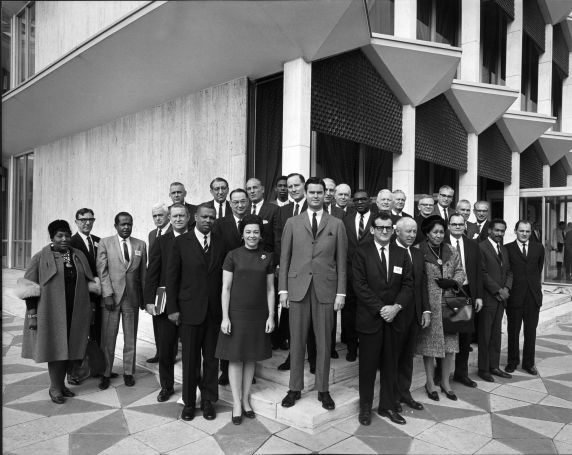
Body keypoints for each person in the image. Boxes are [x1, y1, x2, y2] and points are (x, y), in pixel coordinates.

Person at [279, 177, 348, 411]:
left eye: (320, 192)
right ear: (305, 194)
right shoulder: (292, 222)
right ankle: (294, 388)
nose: (316, 196)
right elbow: (284, 258)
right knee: (296, 341)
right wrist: (283, 290)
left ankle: (323, 389)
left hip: (326, 291)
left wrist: (341, 293)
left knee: (324, 343)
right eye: (312, 192)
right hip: (298, 289)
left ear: (325, 194)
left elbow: (342, 262)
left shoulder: (336, 224)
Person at [15, 220, 100, 403]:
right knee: (55, 349)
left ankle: (62, 385)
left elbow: (90, 284)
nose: (64, 239)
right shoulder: (40, 257)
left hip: (76, 312)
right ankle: (54, 387)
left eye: (67, 235)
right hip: (51, 314)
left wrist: (91, 309)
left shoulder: (78, 255)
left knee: (70, 349)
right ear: (52, 237)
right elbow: (29, 287)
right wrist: (32, 314)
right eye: (59, 236)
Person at [352, 213, 413, 425]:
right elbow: (359, 286)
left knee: (390, 366)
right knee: (367, 367)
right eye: (380, 227)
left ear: (393, 229)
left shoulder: (401, 253)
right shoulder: (362, 252)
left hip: (394, 320)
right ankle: (365, 408)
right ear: (372, 229)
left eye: (388, 227)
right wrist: (382, 309)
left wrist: (396, 308)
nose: (385, 231)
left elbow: (408, 284)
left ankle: (387, 406)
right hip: (370, 319)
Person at [166, 204, 225, 421]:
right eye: (205, 217)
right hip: (189, 311)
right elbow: (171, 277)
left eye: (212, 217)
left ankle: (208, 401)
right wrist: (172, 308)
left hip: (213, 313)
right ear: (195, 217)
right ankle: (190, 403)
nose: (208, 220)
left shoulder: (220, 243)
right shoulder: (181, 242)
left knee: (211, 359)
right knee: (190, 360)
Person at [216, 214, 275, 425]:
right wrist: (225, 317)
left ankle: (246, 399)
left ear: (260, 235)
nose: (252, 235)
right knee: (235, 358)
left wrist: (271, 315)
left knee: (251, 358)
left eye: (256, 232)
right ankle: (237, 403)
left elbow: (270, 289)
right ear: (242, 234)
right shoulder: (232, 255)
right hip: (236, 314)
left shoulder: (267, 257)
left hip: (258, 315)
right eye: (248, 232)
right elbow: (225, 288)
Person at [143, 203, 191, 402]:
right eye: (175, 216)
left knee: (190, 350)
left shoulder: (196, 238)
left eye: (182, 215)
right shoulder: (161, 241)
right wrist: (148, 301)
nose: (178, 219)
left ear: (188, 217)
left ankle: (191, 387)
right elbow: (152, 273)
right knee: (165, 348)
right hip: (164, 305)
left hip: (190, 304)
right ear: (170, 218)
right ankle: (167, 386)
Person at [415, 215, 465, 401]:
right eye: (435, 232)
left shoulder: (451, 250)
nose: (438, 235)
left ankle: (445, 382)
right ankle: (430, 382)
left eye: (441, 232)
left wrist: (453, 281)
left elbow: (461, 271)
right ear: (427, 233)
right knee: (430, 346)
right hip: (430, 306)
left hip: (452, 304)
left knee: (450, 346)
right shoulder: (418, 250)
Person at [97, 212, 147, 390]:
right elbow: (102, 271)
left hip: (131, 299)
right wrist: (107, 294)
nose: (126, 227)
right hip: (111, 298)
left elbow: (143, 275)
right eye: (123, 224)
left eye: (129, 224)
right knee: (108, 338)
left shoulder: (140, 244)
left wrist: (144, 299)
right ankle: (105, 372)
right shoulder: (105, 243)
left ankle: (128, 372)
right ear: (116, 225)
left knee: (130, 337)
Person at [435, 213, 483, 389]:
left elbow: (478, 271)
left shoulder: (472, 245)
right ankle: (441, 374)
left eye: (460, 224)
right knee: (446, 334)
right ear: (449, 226)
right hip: (448, 292)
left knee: (464, 336)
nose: (457, 227)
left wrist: (478, 296)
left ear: (465, 226)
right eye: (454, 224)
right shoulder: (441, 244)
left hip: (466, 292)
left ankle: (461, 373)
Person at [212, 188, 249, 386]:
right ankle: (225, 369)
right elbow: (217, 253)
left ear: (248, 202)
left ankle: (247, 368)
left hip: (249, 283)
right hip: (227, 281)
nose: (239, 205)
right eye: (235, 202)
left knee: (246, 328)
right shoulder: (220, 223)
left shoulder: (253, 220)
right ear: (230, 203)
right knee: (227, 328)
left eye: (243, 201)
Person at [393, 217, 430, 411]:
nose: (411, 235)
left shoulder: (417, 254)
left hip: (414, 314)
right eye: (407, 231)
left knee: (407, 357)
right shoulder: (391, 252)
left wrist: (425, 309)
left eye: (414, 231)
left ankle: (405, 393)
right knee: (394, 357)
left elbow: (422, 283)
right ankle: (392, 396)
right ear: (397, 232)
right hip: (396, 314)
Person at [274, 173, 308, 364]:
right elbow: (278, 238)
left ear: (303, 186)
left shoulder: (312, 207)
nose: (293, 189)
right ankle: (291, 352)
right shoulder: (283, 210)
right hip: (288, 269)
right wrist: (281, 264)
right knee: (289, 310)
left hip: (307, 269)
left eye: (296, 185)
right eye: (290, 186)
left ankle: (307, 355)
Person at [505, 220, 544, 376]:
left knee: (530, 332)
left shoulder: (538, 248)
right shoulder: (507, 248)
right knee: (513, 331)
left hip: (532, 297)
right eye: (521, 231)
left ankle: (529, 363)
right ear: (515, 231)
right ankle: (512, 362)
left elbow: (538, 268)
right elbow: (507, 271)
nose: (524, 234)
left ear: (531, 232)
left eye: (527, 231)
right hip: (515, 297)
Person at [70, 208, 102, 383]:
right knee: (78, 336)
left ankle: (96, 368)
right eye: (83, 220)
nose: (87, 222)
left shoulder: (98, 241)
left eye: (90, 219)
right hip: (80, 297)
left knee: (97, 334)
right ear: (76, 222)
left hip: (98, 298)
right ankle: (73, 372)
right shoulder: (71, 242)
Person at [478, 219, 513, 382]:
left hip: (501, 299)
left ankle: (494, 366)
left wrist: (506, 289)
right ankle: (483, 369)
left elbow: (509, 271)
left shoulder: (504, 249)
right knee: (485, 335)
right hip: (488, 298)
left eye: (502, 231)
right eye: (497, 230)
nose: (500, 233)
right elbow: (482, 273)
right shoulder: (481, 247)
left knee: (496, 335)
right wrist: (497, 290)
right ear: (490, 230)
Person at [342, 189, 374, 361]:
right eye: (356, 200)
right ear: (353, 202)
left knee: (369, 313)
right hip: (350, 276)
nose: (360, 202)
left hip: (372, 276)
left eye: (363, 199)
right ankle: (352, 348)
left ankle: (368, 347)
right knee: (349, 314)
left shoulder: (378, 220)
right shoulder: (345, 220)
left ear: (369, 200)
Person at [146, 202, 173, 364]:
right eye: (154, 216)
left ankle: (168, 353)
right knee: (157, 318)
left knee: (169, 322)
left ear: (167, 215)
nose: (157, 218)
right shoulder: (152, 234)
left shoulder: (174, 231)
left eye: (160, 215)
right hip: (157, 285)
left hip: (170, 283)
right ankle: (159, 352)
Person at [245, 178, 278, 253]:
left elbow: (277, 238)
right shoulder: (244, 210)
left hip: (266, 255)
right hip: (246, 256)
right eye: (249, 189)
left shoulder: (274, 209)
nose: (252, 191)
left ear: (262, 189)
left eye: (255, 187)